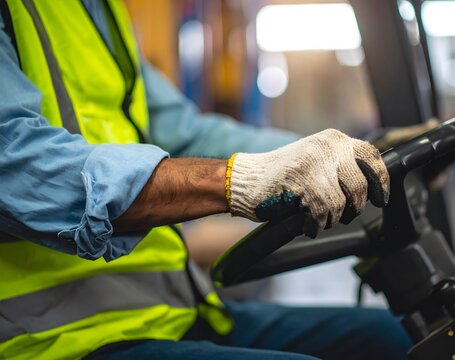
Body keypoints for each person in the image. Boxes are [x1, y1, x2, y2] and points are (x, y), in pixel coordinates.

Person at [0, 0, 419, 359]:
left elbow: (184, 133)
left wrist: (351, 155)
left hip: (172, 308)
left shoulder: (95, 11)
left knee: (400, 337)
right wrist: (233, 181)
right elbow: (20, 166)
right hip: (48, 339)